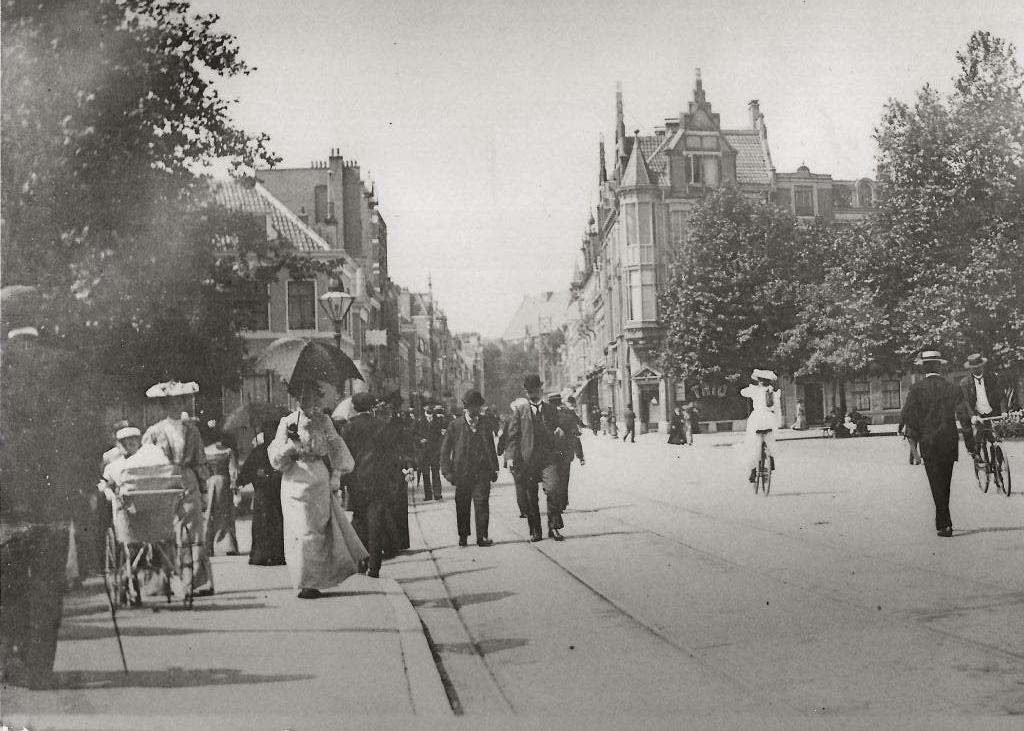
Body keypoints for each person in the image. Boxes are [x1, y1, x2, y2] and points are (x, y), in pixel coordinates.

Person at [268, 380, 365, 597]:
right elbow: (275, 456)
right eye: (302, 398)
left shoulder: (324, 421)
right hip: (294, 480)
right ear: (296, 399)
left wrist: (337, 474)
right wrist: (290, 447)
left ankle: (317, 579)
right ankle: (305, 582)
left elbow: (337, 447)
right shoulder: (287, 422)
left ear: (317, 398)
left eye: (311, 397)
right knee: (301, 532)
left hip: (318, 478)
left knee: (318, 532)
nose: (307, 402)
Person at [141, 381, 215, 596]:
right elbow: (145, 459)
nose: (176, 406)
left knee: (194, 530)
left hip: (188, 478)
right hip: (165, 481)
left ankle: (197, 581)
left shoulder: (192, 430)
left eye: (180, 401)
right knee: (167, 529)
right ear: (164, 406)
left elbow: (200, 459)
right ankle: (164, 581)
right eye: (171, 403)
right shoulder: (154, 432)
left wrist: (203, 489)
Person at [900, 351, 974, 537]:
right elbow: (963, 415)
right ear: (939, 366)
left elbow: (909, 414)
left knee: (935, 483)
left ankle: (944, 523)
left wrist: (908, 434)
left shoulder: (917, 389)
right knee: (946, 483)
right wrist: (970, 442)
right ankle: (944, 521)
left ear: (924, 367)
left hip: (929, 442)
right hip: (948, 441)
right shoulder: (952, 388)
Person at [341, 392, 400, 578]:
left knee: (359, 520)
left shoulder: (349, 427)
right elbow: (391, 455)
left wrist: (343, 482)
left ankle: (361, 561)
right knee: (376, 522)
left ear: (355, 408)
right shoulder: (382, 426)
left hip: (357, 480)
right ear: (371, 406)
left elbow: (345, 456)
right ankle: (374, 566)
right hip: (378, 480)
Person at [440, 389, 499, 548]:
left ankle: (482, 536)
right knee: (462, 504)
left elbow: (490, 447)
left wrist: (494, 468)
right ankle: (463, 536)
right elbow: (445, 450)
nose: (475, 410)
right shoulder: (455, 425)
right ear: (465, 407)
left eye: (478, 407)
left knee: (482, 503)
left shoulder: (485, 423)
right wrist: (447, 471)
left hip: (482, 471)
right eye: (472, 407)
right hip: (462, 472)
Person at [507, 374, 560, 542]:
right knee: (531, 497)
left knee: (552, 490)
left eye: (535, 391)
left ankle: (554, 528)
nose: (533, 394)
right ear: (526, 393)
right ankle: (535, 530)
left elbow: (558, 429)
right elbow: (513, 436)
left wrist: (560, 435)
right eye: (529, 392)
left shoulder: (551, 410)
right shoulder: (520, 412)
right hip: (527, 460)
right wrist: (510, 457)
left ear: (541, 390)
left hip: (548, 459)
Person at [238, 420, 285, 566]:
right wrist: (257, 474)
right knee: (263, 524)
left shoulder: (280, 450)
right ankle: (261, 555)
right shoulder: (258, 451)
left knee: (276, 523)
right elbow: (245, 474)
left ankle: (277, 554)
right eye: (267, 431)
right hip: (263, 494)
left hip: (277, 492)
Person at [959, 353, 1008, 466]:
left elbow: (1001, 395)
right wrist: (973, 416)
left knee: (996, 439)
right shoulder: (965, 383)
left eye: (979, 367)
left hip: (993, 412)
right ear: (971, 369)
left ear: (983, 366)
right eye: (974, 368)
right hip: (978, 414)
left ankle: (998, 468)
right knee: (980, 432)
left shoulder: (993, 377)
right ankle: (977, 454)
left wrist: (1004, 411)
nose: (977, 369)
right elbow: (966, 401)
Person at [547, 393, 584, 540]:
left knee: (554, 484)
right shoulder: (568, 416)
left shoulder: (546, 417)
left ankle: (559, 503)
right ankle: (562, 502)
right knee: (564, 479)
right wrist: (580, 455)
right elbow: (575, 438)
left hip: (550, 456)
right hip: (565, 454)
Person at [202, 423, 239, 557]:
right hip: (224, 483)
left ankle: (207, 546)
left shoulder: (205, 451)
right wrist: (234, 486)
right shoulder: (228, 451)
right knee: (225, 514)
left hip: (209, 482)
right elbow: (233, 470)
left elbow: (202, 469)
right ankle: (226, 546)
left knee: (208, 514)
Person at [740, 369, 781, 483]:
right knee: (770, 440)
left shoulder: (755, 390)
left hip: (757, 419)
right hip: (769, 419)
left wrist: (749, 387)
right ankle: (771, 458)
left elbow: (743, 392)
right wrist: (778, 423)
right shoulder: (774, 393)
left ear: (759, 381)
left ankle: (753, 471)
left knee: (752, 444)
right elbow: (777, 409)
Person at [415, 404, 445, 501]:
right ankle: (428, 495)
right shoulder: (419, 421)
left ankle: (437, 494)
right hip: (424, 451)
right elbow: (414, 434)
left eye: (431, 406)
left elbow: (441, 435)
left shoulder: (438, 420)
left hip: (434, 451)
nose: (429, 408)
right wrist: (420, 440)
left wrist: (439, 447)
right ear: (424, 408)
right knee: (426, 473)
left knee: (436, 472)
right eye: (427, 406)